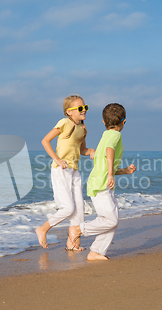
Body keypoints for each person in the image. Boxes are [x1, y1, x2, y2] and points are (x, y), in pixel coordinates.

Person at [68, 103, 136, 261]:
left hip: (100, 183)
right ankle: (78, 229)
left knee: (112, 220)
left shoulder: (105, 136)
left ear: (104, 123)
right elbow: (109, 151)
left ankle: (97, 251)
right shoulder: (115, 136)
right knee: (110, 220)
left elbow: (105, 164)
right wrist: (111, 174)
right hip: (101, 185)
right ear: (123, 122)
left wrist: (123, 171)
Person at [35, 94, 95, 250]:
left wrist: (92, 151)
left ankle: (73, 243)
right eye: (80, 108)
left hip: (74, 171)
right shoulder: (64, 123)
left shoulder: (83, 128)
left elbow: (82, 150)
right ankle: (43, 229)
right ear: (69, 112)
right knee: (68, 208)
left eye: (85, 107)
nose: (84, 110)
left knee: (79, 209)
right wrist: (57, 159)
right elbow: (45, 141)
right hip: (60, 170)